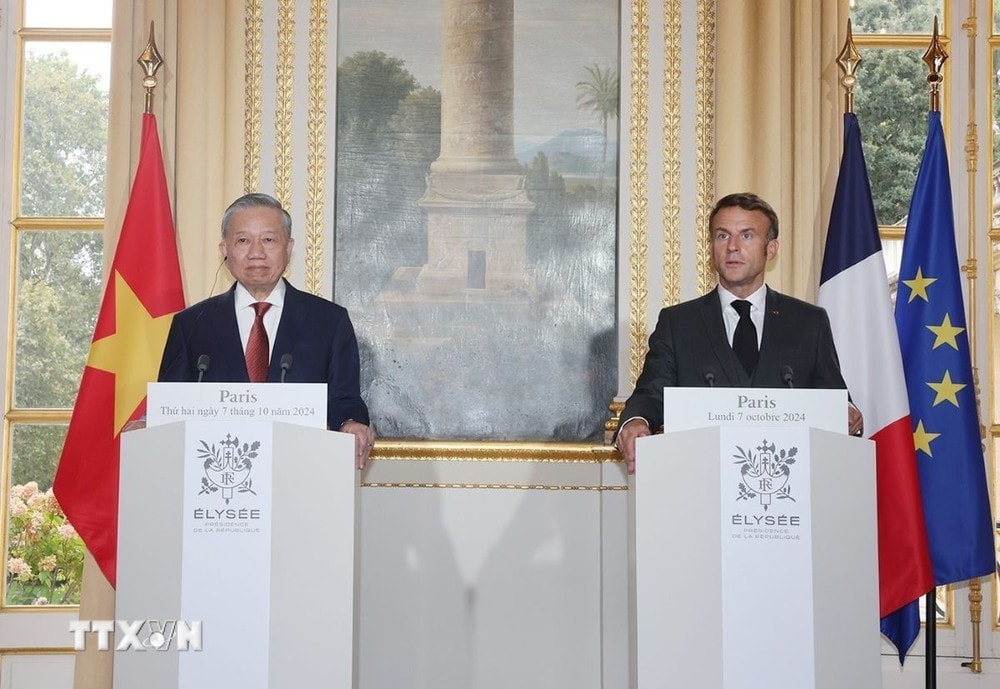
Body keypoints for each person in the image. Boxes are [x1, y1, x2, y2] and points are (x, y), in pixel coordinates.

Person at [614, 192, 863, 473]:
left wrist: (848, 414)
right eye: (722, 236)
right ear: (711, 247)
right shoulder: (678, 322)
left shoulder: (808, 322)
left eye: (746, 236)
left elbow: (834, 398)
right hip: (699, 482)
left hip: (786, 487)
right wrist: (635, 421)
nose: (732, 247)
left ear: (770, 249)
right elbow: (651, 393)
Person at [158, 192, 376, 468]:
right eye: (243, 240)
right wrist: (150, 423)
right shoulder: (191, 325)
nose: (256, 253)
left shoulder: (329, 321)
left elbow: (344, 398)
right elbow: (172, 404)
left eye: (269, 240)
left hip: (301, 472)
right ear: (225, 249)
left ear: (289, 247)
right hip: (217, 476)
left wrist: (351, 423)